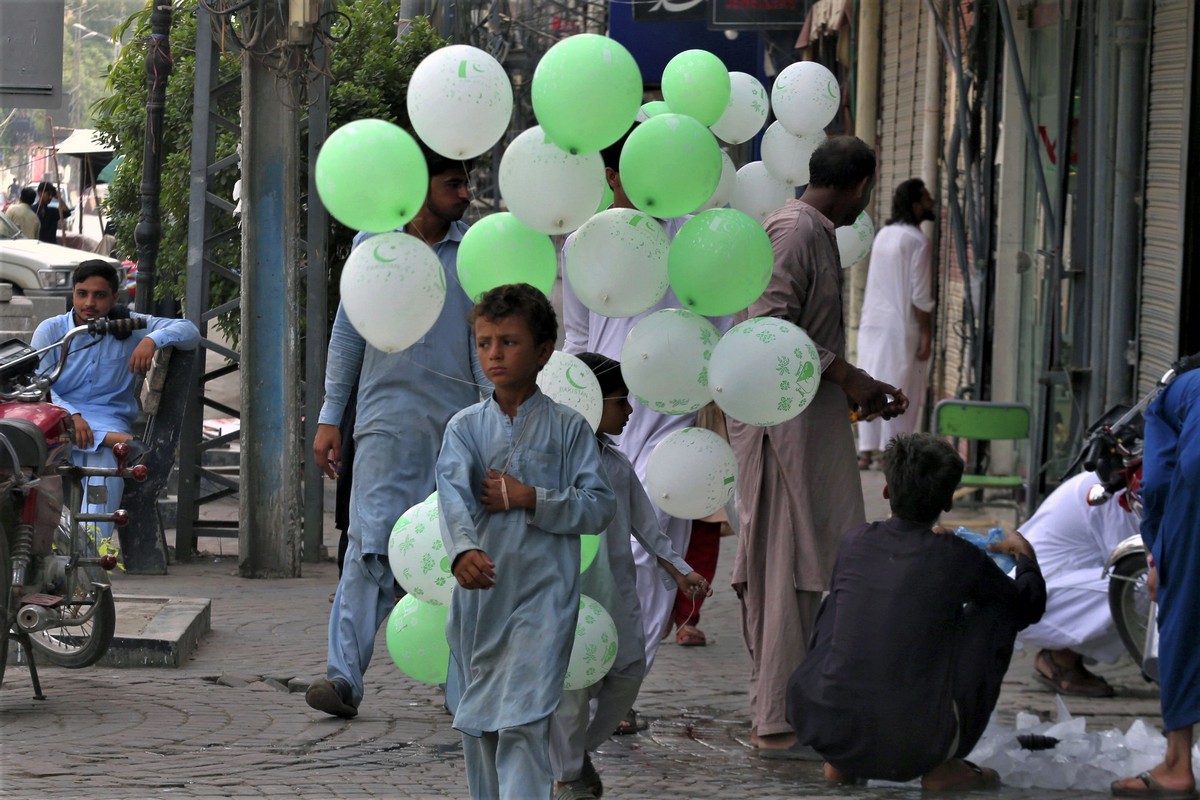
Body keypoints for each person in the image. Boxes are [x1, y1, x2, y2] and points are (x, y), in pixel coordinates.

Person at [725, 135, 908, 756]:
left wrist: (858, 389)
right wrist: (850, 378)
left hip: (806, 422)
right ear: (860, 187)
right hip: (780, 431)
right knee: (785, 565)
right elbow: (770, 329)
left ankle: (794, 707)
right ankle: (775, 720)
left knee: (812, 564)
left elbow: (810, 339)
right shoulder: (796, 231)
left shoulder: (815, 230)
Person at [307, 150, 480, 719]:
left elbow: (489, 340)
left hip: (460, 428)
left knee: (457, 554)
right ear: (419, 185)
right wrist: (332, 416)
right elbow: (347, 335)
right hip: (385, 423)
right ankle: (343, 679)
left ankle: (462, 692)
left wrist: (494, 422)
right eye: (453, 183)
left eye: (466, 183)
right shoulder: (371, 246)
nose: (465, 194)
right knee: (370, 546)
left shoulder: (475, 249)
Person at [561, 125, 733, 694]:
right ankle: (591, 669)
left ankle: (625, 686)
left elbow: (722, 330)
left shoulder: (697, 243)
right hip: (600, 418)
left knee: (655, 555)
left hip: (668, 424)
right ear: (612, 177)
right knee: (598, 558)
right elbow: (577, 337)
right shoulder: (586, 242)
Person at [438, 284, 616, 800]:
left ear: (542, 352)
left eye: (509, 342)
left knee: (524, 721)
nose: (494, 353)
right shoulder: (465, 429)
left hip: (544, 597)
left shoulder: (568, 430)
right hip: (481, 600)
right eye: (485, 342)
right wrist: (462, 551)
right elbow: (451, 498)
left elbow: (599, 505)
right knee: (481, 727)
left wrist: (531, 497)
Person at [789, 433, 1047, 789]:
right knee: (996, 612)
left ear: (886, 492)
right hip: (919, 740)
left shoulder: (855, 541)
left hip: (827, 722)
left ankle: (842, 761)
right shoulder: (958, 556)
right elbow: (1028, 606)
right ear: (947, 501)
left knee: (847, 603)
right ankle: (945, 763)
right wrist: (1025, 555)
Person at [549, 352, 711, 800]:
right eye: (622, 402)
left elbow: (647, 524)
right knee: (573, 690)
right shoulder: (553, 463)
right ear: (590, 400)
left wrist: (680, 569)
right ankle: (565, 774)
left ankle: (575, 754)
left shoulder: (616, 464)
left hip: (615, 595)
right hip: (569, 597)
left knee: (628, 672)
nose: (630, 412)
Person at [31, 260, 199, 559]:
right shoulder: (53, 330)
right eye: (82, 294)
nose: (89, 303)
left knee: (108, 459)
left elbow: (189, 331)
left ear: (115, 298)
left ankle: (89, 557)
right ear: (73, 293)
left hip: (108, 420)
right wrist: (73, 415)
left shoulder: (128, 325)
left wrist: (150, 339)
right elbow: (44, 385)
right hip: (61, 421)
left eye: (99, 296)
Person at [1111, 367, 1200, 799]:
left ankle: (1177, 763)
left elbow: (1161, 479)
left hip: (1194, 493)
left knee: (1182, 620)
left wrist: (1156, 553)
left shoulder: (1170, 397)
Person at [1015, 470, 1140, 697]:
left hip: (1052, 586)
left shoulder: (1120, 481)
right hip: (1035, 597)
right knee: (1140, 585)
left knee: (1149, 581)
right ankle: (1060, 660)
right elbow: (1132, 560)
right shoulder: (1113, 489)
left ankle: (1062, 657)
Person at [855, 177, 936, 470]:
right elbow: (919, 294)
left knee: (870, 382)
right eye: (927, 198)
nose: (932, 202)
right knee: (903, 389)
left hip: (872, 324)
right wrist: (926, 333)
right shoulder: (918, 241)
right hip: (902, 328)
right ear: (916, 205)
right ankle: (893, 453)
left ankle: (867, 451)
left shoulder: (883, 234)